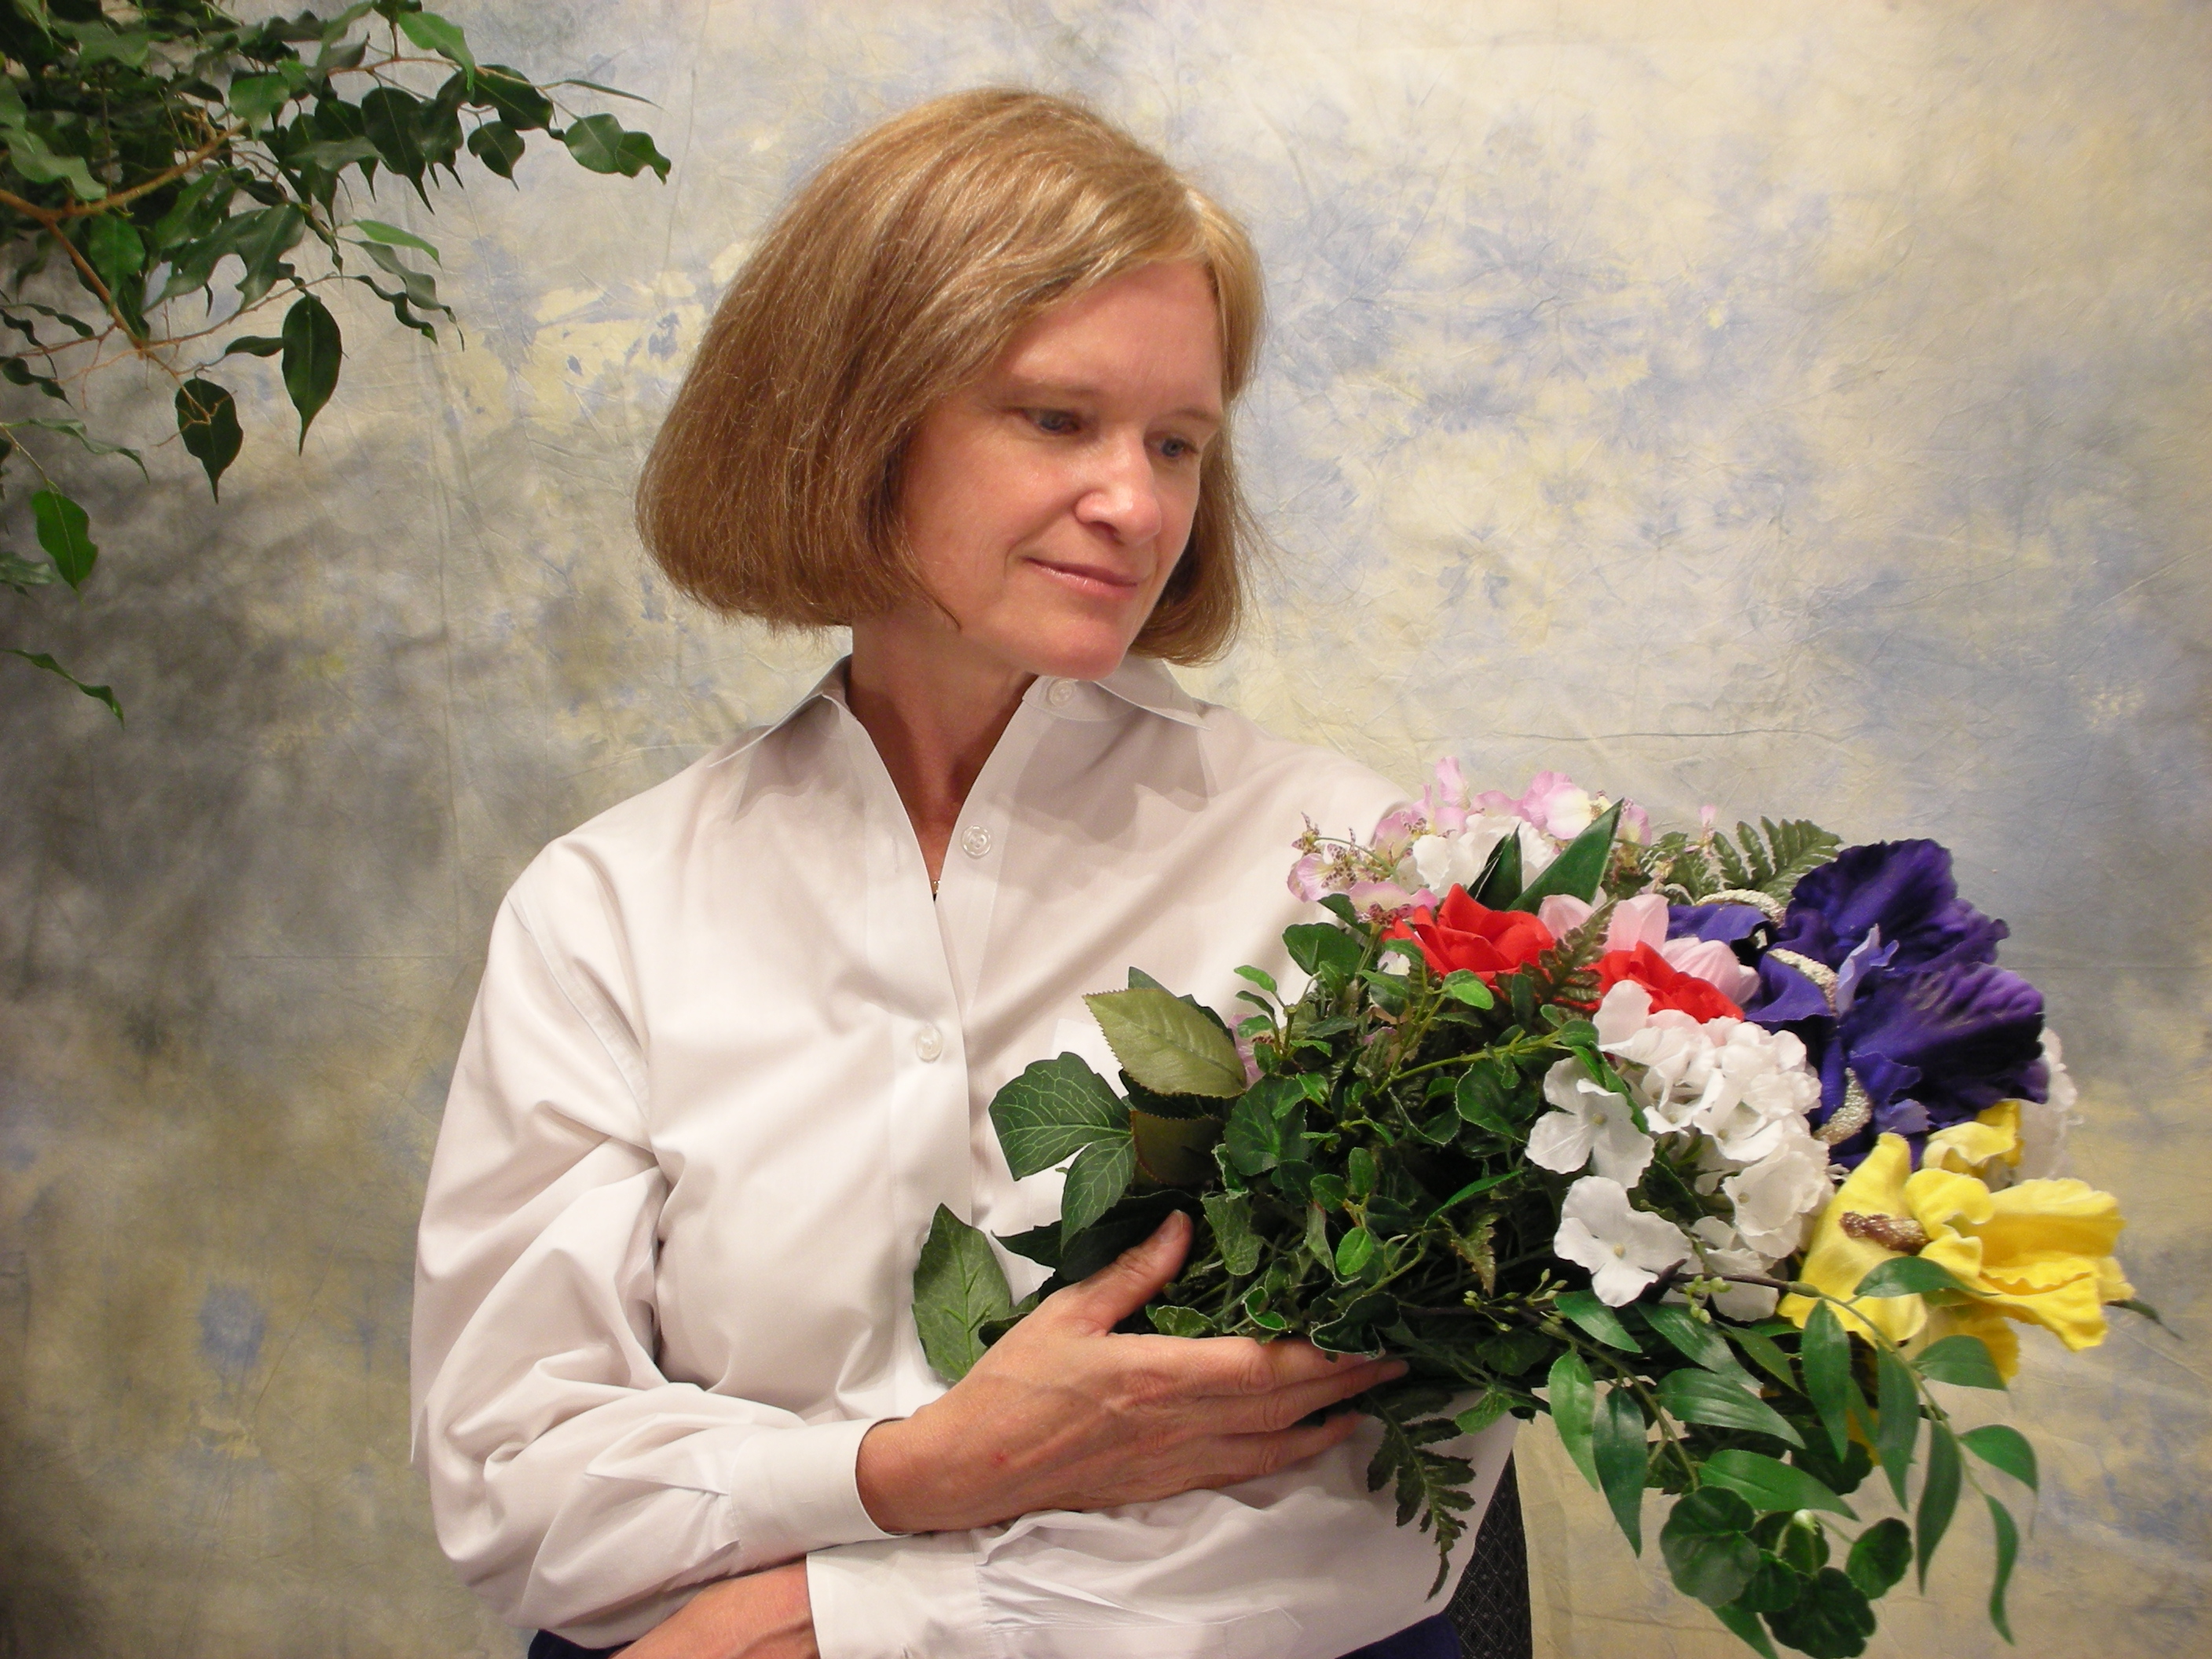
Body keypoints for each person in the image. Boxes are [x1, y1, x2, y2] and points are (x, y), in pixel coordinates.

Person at [410, 88, 1515, 1659]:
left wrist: (834, 1619)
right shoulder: (608, 909)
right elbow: (515, 1479)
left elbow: (1369, 1495)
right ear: (854, 421)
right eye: (1057, 419)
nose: (1136, 503)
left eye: (1178, 443)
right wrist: (917, 1472)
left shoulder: (1345, 878)